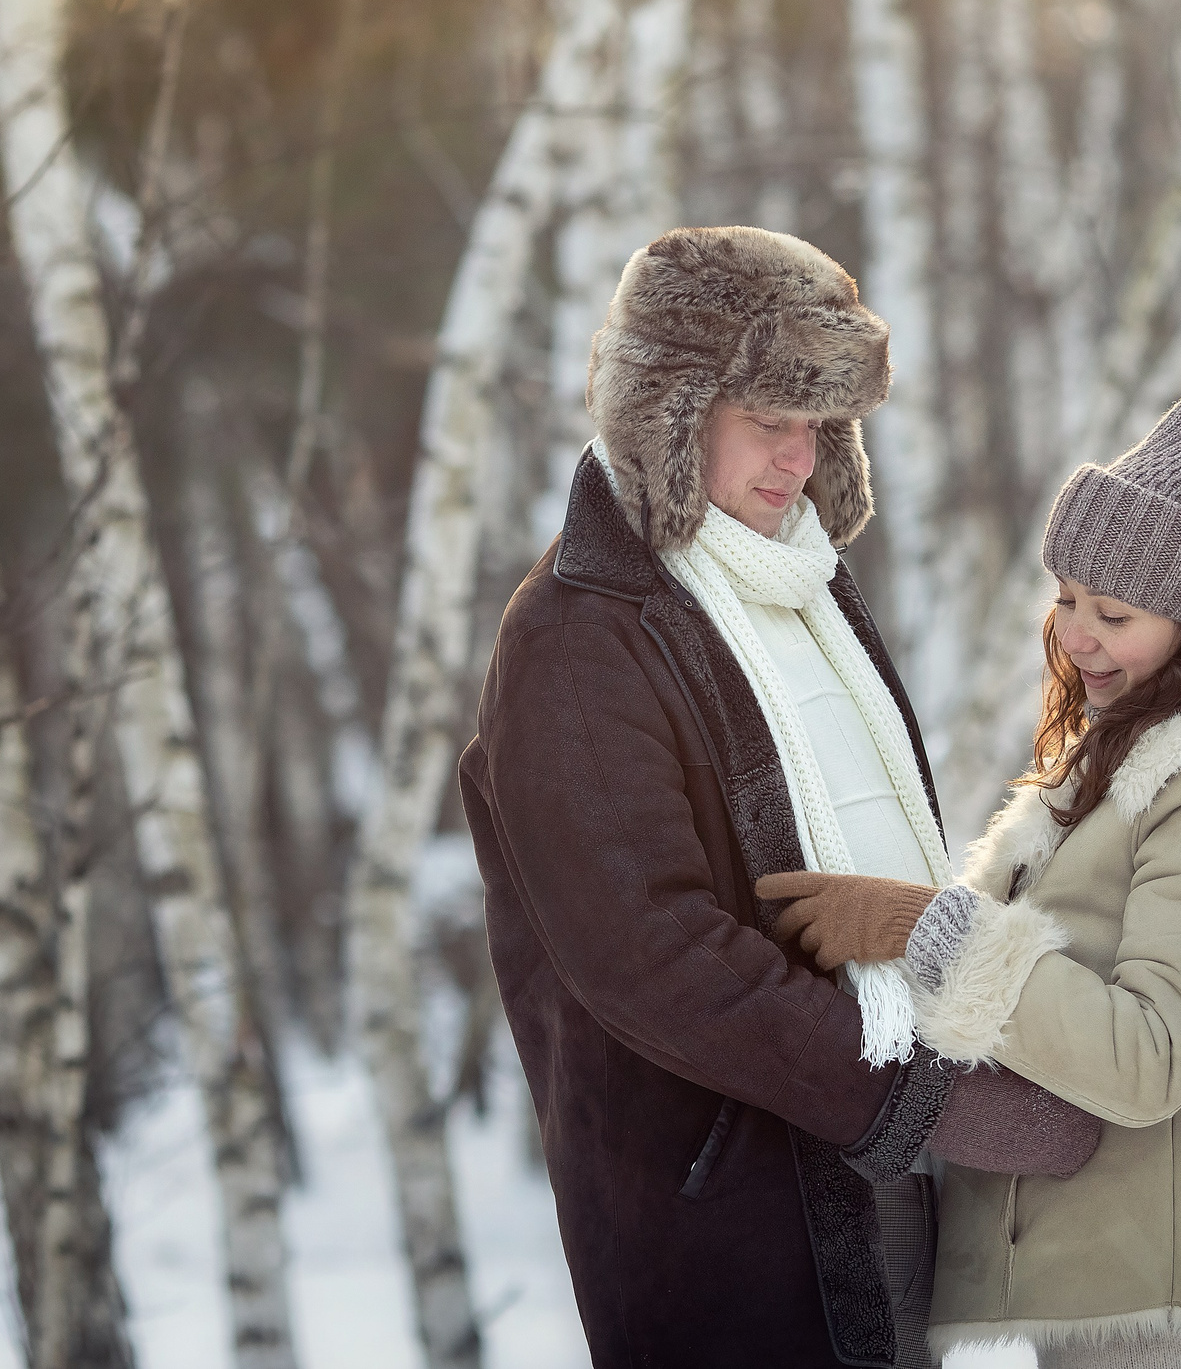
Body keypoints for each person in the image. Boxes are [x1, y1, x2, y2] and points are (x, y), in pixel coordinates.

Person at [459, 226, 1103, 1369]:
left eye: (818, 427)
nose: (799, 460)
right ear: (668, 410)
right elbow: (650, 953)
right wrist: (924, 1099)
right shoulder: (576, 636)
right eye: (768, 420)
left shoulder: (798, 587)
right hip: (732, 1218)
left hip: (878, 1176)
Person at [771, 376, 1181, 1369]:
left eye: (1113, 614)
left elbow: (1149, 1058)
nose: (1077, 635)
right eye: (1067, 598)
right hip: (1114, 1271)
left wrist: (925, 931)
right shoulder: (1120, 765)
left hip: (1168, 1285)